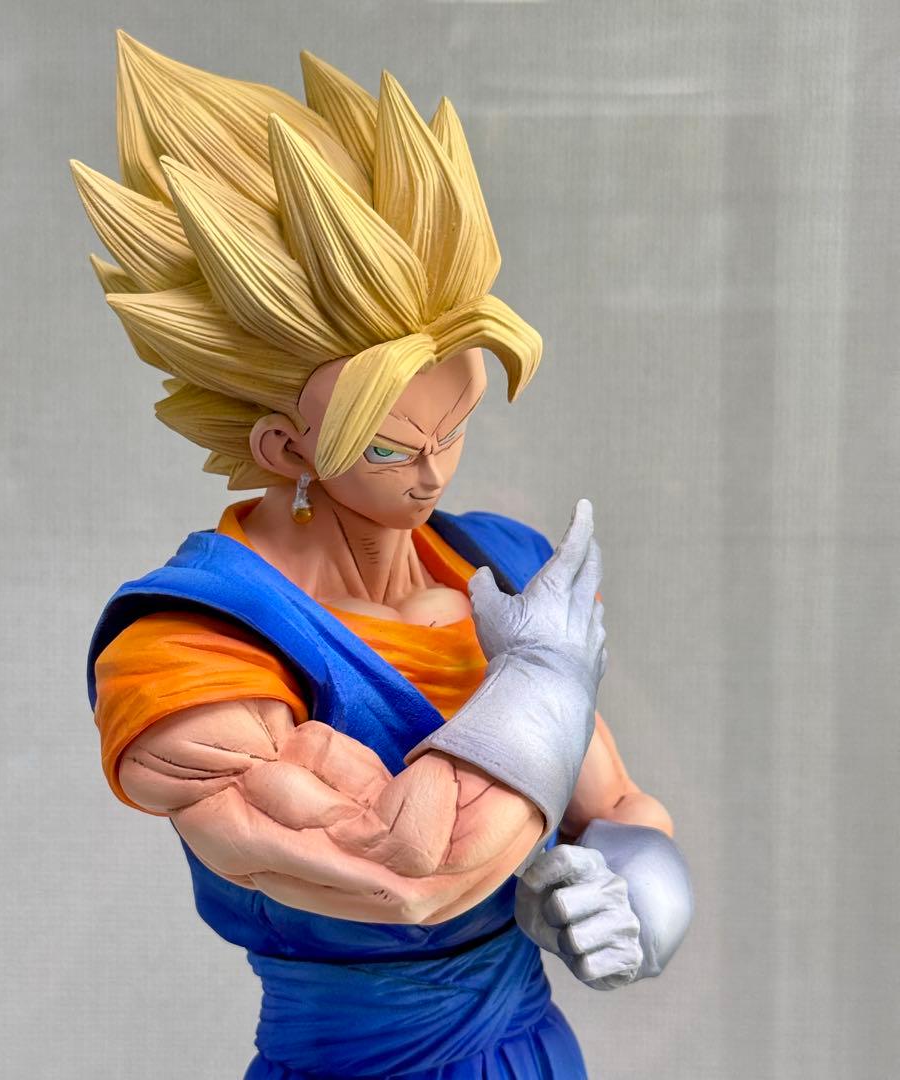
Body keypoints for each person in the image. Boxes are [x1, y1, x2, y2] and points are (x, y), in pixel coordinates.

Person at [75, 32, 692, 1078]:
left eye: (457, 424)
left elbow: (614, 802)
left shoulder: (497, 566)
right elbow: (410, 872)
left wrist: (632, 896)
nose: (434, 471)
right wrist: (540, 685)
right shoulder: (189, 647)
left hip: (532, 1048)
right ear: (286, 448)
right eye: (392, 446)